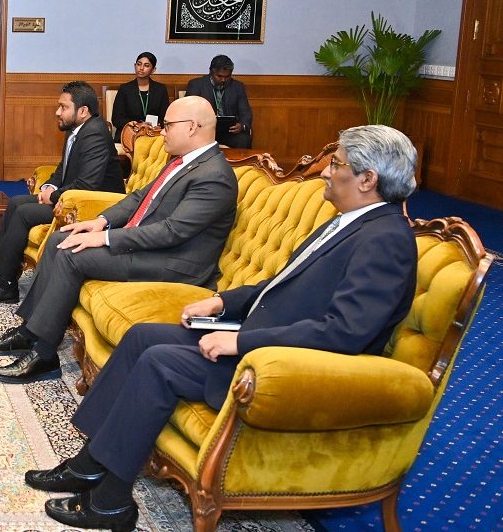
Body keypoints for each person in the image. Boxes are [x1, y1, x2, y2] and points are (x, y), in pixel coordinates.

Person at [23, 125, 418, 531]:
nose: (326, 172)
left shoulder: (385, 240)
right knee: (141, 336)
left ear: (367, 179)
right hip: (257, 335)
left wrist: (240, 342)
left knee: (160, 363)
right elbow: (281, 285)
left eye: (336, 164)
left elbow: (342, 333)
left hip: (281, 364)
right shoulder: (349, 222)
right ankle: (89, 464)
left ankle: (111, 504)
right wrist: (223, 302)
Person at [0, 96, 238, 384]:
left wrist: (104, 238)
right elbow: (139, 198)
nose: (163, 132)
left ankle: (44, 354)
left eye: (168, 125)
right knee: (60, 239)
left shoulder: (214, 175)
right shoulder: (183, 162)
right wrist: (100, 221)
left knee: (72, 255)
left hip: (175, 263)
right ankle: (30, 333)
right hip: (153, 249)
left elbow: (172, 231)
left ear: (192, 127)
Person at [0, 81, 124, 304]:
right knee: (16, 203)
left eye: (63, 107)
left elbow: (88, 184)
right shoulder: (76, 129)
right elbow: (63, 169)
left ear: (83, 111)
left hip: (91, 206)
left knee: (24, 213)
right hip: (71, 198)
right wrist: (49, 186)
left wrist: (53, 196)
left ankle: (7, 285)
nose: (57, 112)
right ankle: (3, 274)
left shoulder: (95, 134)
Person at [184, 54, 253, 149]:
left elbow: (245, 112)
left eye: (227, 76)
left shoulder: (237, 87)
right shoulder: (196, 85)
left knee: (243, 139)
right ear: (211, 72)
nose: (223, 80)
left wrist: (242, 125)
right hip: (203, 131)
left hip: (229, 132)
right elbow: (188, 111)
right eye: (219, 76)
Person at [110, 52, 170, 137]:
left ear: (153, 70)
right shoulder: (125, 89)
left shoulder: (161, 90)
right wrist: (136, 125)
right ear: (135, 66)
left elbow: (165, 117)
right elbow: (117, 119)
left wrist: (158, 126)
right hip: (130, 135)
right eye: (139, 64)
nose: (141, 68)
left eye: (146, 65)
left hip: (153, 134)